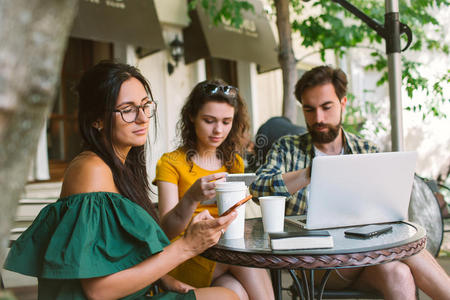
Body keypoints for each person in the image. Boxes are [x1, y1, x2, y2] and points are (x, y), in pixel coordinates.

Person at [3, 61, 240, 300]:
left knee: (230, 291)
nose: (142, 117)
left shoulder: (120, 168)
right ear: (97, 120)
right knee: (228, 296)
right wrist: (188, 246)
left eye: (145, 106)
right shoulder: (91, 170)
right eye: (127, 109)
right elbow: (98, 290)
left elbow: (121, 252)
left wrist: (165, 278)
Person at [250, 65, 450, 299]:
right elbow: (258, 187)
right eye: (309, 110)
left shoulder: (365, 150)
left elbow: (389, 212)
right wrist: (308, 174)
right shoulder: (288, 148)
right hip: (317, 263)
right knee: (400, 261)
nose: (319, 118)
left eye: (326, 107)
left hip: (367, 255)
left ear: (343, 103)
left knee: (399, 273)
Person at [154, 79, 274, 300]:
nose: (218, 130)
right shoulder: (171, 163)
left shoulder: (233, 162)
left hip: (223, 254)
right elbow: (166, 232)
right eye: (209, 120)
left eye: (226, 121)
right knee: (248, 263)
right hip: (185, 257)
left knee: (237, 292)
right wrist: (191, 198)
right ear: (192, 116)